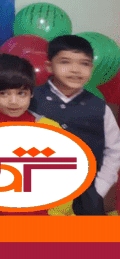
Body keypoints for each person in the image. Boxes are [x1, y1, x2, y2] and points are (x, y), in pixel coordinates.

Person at [0, 53, 66, 215]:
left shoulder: (49, 129)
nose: (13, 101)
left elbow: (63, 177)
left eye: (21, 93)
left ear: (31, 93)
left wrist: (56, 214)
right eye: (3, 93)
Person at [30, 35, 120, 215]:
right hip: (38, 194)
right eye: (65, 62)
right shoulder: (30, 99)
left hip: (86, 197)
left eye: (84, 64)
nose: (75, 70)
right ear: (49, 66)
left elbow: (114, 150)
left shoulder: (100, 107)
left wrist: (100, 188)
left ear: (91, 69)